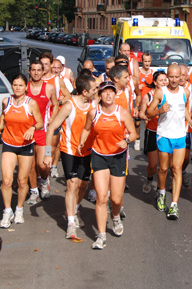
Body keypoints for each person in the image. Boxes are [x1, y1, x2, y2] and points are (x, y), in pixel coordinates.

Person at [78, 81, 138, 250]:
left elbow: (134, 133)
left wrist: (126, 141)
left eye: (111, 92)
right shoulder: (93, 112)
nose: (108, 95)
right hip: (99, 156)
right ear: (100, 95)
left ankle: (116, 215)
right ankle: (101, 236)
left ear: (115, 94)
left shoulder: (123, 113)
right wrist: (82, 142)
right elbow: (86, 129)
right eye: (105, 92)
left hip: (118, 157)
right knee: (102, 196)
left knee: (116, 199)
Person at [43, 74, 98, 239]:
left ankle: (74, 209)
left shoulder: (94, 105)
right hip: (69, 151)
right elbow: (52, 127)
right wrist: (48, 154)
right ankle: (71, 224)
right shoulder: (69, 106)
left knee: (83, 185)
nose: (97, 91)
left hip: (87, 151)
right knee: (72, 184)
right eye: (94, 89)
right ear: (84, 91)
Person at [146, 64, 192, 220]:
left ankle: (174, 205)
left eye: (177, 77)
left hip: (180, 135)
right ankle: (161, 193)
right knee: (164, 169)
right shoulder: (161, 92)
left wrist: (190, 121)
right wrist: (160, 110)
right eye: (171, 77)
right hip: (164, 135)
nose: (174, 80)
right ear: (167, 76)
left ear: (181, 77)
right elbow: (149, 112)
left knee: (177, 169)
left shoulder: (185, 92)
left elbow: (184, 109)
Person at [0, 74, 44, 228]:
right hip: (9, 144)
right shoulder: (6, 101)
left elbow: (40, 123)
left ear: (25, 87)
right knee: (7, 180)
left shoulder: (31, 104)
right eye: (15, 85)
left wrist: (32, 127)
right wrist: (0, 126)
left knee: (22, 181)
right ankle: (7, 211)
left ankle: (19, 209)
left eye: (21, 85)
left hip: (26, 145)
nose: (17, 88)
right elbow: (4, 115)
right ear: (11, 85)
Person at [26, 60, 59, 204]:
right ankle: (34, 191)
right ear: (29, 71)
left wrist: (52, 118)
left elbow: (56, 105)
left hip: (43, 132)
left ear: (43, 71)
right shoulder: (23, 87)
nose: (36, 72)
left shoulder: (49, 88)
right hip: (27, 132)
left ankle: (44, 181)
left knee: (43, 165)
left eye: (39, 70)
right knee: (30, 166)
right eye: (33, 70)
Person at [139, 70, 168, 193]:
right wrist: (143, 116)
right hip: (152, 132)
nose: (164, 82)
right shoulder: (148, 96)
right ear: (155, 82)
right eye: (161, 80)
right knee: (152, 164)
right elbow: (142, 112)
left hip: (167, 133)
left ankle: (159, 189)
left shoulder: (171, 94)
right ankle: (150, 179)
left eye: (165, 80)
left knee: (164, 166)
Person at [50, 57, 74, 178]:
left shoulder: (64, 81)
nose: (55, 70)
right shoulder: (45, 80)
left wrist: (58, 101)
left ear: (61, 69)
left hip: (60, 116)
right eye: (53, 67)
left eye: (57, 68)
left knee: (57, 144)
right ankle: (47, 163)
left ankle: (53, 166)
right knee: (48, 144)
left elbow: (69, 96)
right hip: (46, 117)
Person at [179, 63, 192, 187]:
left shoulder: (191, 88)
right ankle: (175, 179)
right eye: (178, 75)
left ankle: (182, 171)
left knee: (186, 158)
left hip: (186, 127)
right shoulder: (169, 88)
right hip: (172, 127)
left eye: (183, 75)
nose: (181, 78)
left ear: (187, 76)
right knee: (172, 158)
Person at [136, 52, 155, 151]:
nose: (147, 63)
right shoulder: (138, 72)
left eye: (148, 61)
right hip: (139, 101)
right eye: (145, 61)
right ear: (142, 61)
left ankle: (146, 146)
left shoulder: (153, 73)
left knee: (148, 124)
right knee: (138, 123)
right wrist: (137, 87)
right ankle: (137, 139)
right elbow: (133, 86)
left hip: (150, 102)